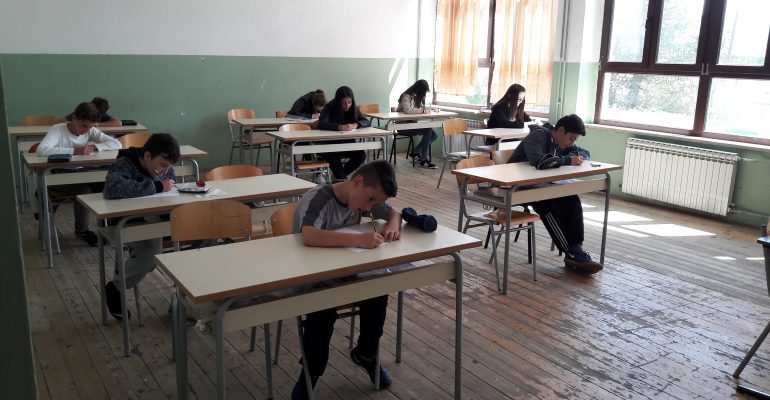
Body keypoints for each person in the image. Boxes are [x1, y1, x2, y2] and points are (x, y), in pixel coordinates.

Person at [290, 160, 401, 400]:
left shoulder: (363, 198)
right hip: (313, 276)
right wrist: (358, 240)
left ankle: (366, 354)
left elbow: (395, 212)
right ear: (357, 182)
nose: (370, 208)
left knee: (378, 291)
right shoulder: (319, 197)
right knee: (322, 310)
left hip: (346, 272)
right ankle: (311, 372)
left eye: (375, 203)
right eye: (370, 199)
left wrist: (393, 224)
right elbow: (309, 235)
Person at [507, 114, 602, 274]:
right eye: (571, 138)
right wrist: (568, 160)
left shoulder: (558, 142)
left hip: (537, 185)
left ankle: (576, 248)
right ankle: (571, 254)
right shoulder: (539, 135)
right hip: (515, 187)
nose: (571, 143)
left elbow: (584, 152)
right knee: (547, 204)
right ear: (561, 130)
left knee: (571, 198)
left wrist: (574, 157)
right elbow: (540, 162)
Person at [102, 133, 180, 320]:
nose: (166, 171)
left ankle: (185, 300)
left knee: (204, 236)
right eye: (162, 165)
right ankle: (116, 287)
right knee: (150, 251)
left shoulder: (165, 169)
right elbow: (112, 188)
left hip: (160, 217)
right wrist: (157, 187)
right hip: (128, 220)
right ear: (147, 156)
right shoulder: (125, 163)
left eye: (169, 166)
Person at [36, 102, 122, 246]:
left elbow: (117, 144)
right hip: (58, 177)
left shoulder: (90, 130)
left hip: (80, 173)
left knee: (106, 184)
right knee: (84, 190)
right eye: (83, 126)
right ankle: (82, 231)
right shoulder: (58, 129)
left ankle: (107, 227)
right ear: (74, 118)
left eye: (90, 126)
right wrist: (75, 151)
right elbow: (41, 150)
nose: (86, 130)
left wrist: (95, 147)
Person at [317, 86, 369, 182]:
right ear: (338, 102)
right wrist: (340, 127)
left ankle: (339, 178)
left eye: (349, 102)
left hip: (346, 144)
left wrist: (356, 124)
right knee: (334, 157)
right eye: (344, 103)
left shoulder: (353, 108)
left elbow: (366, 121)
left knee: (361, 155)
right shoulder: (329, 107)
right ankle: (340, 178)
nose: (347, 105)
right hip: (328, 145)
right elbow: (322, 124)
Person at [396, 79, 438, 169]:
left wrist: (427, 110)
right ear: (419, 89)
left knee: (434, 135)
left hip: (412, 124)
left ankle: (415, 152)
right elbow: (408, 111)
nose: (424, 94)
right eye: (424, 91)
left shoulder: (416, 98)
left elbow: (418, 110)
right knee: (428, 130)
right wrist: (422, 110)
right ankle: (423, 160)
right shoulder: (406, 97)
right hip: (403, 126)